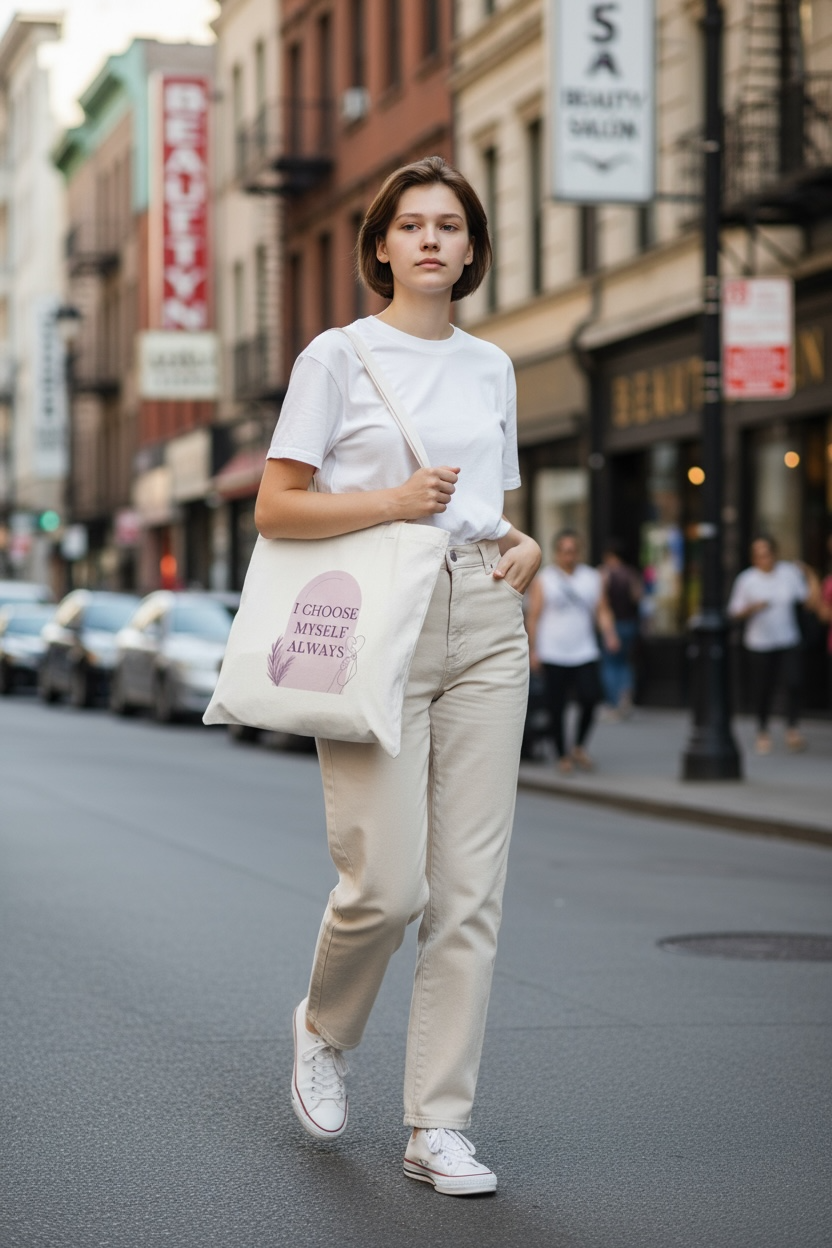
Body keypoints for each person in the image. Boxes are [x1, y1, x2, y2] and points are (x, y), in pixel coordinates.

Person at [254, 156, 541, 1196]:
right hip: (377, 622)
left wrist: (529, 548)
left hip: (482, 621)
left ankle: (438, 1126)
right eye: (410, 224)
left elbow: (489, 512)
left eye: (448, 225)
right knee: (386, 887)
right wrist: (390, 500)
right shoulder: (336, 356)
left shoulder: (492, 366)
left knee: (468, 896)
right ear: (380, 245)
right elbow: (277, 508)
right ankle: (325, 1028)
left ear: (470, 248)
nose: (429, 239)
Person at [525, 529, 619, 774]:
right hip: (553, 651)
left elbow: (602, 609)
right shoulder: (545, 579)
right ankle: (562, 755)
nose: (569, 555)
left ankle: (578, 745)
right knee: (556, 706)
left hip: (584, 650)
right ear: (557, 553)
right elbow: (534, 616)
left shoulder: (591, 577)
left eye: (573, 550)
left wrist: (609, 633)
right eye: (565, 551)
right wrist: (532, 650)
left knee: (591, 698)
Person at [727, 535, 821, 754]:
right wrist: (752, 608)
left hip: (788, 639)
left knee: (794, 682)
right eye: (758, 555)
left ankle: (792, 729)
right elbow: (734, 612)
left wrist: (810, 574)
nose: (763, 559)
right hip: (759, 642)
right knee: (763, 688)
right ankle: (762, 730)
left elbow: (808, 601)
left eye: (766, 554)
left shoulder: (788, 573)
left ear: (774, 554)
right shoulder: (747, 579)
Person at [598, 538, 642, 718]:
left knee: (610, 664)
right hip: (629, 623)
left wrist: (608, 630)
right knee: (624, 662)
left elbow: (601, 602)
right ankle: (625, 696)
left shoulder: (604, 574)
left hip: (612, 624)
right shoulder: (630, 574)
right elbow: (638, 597)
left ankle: (614, 703)